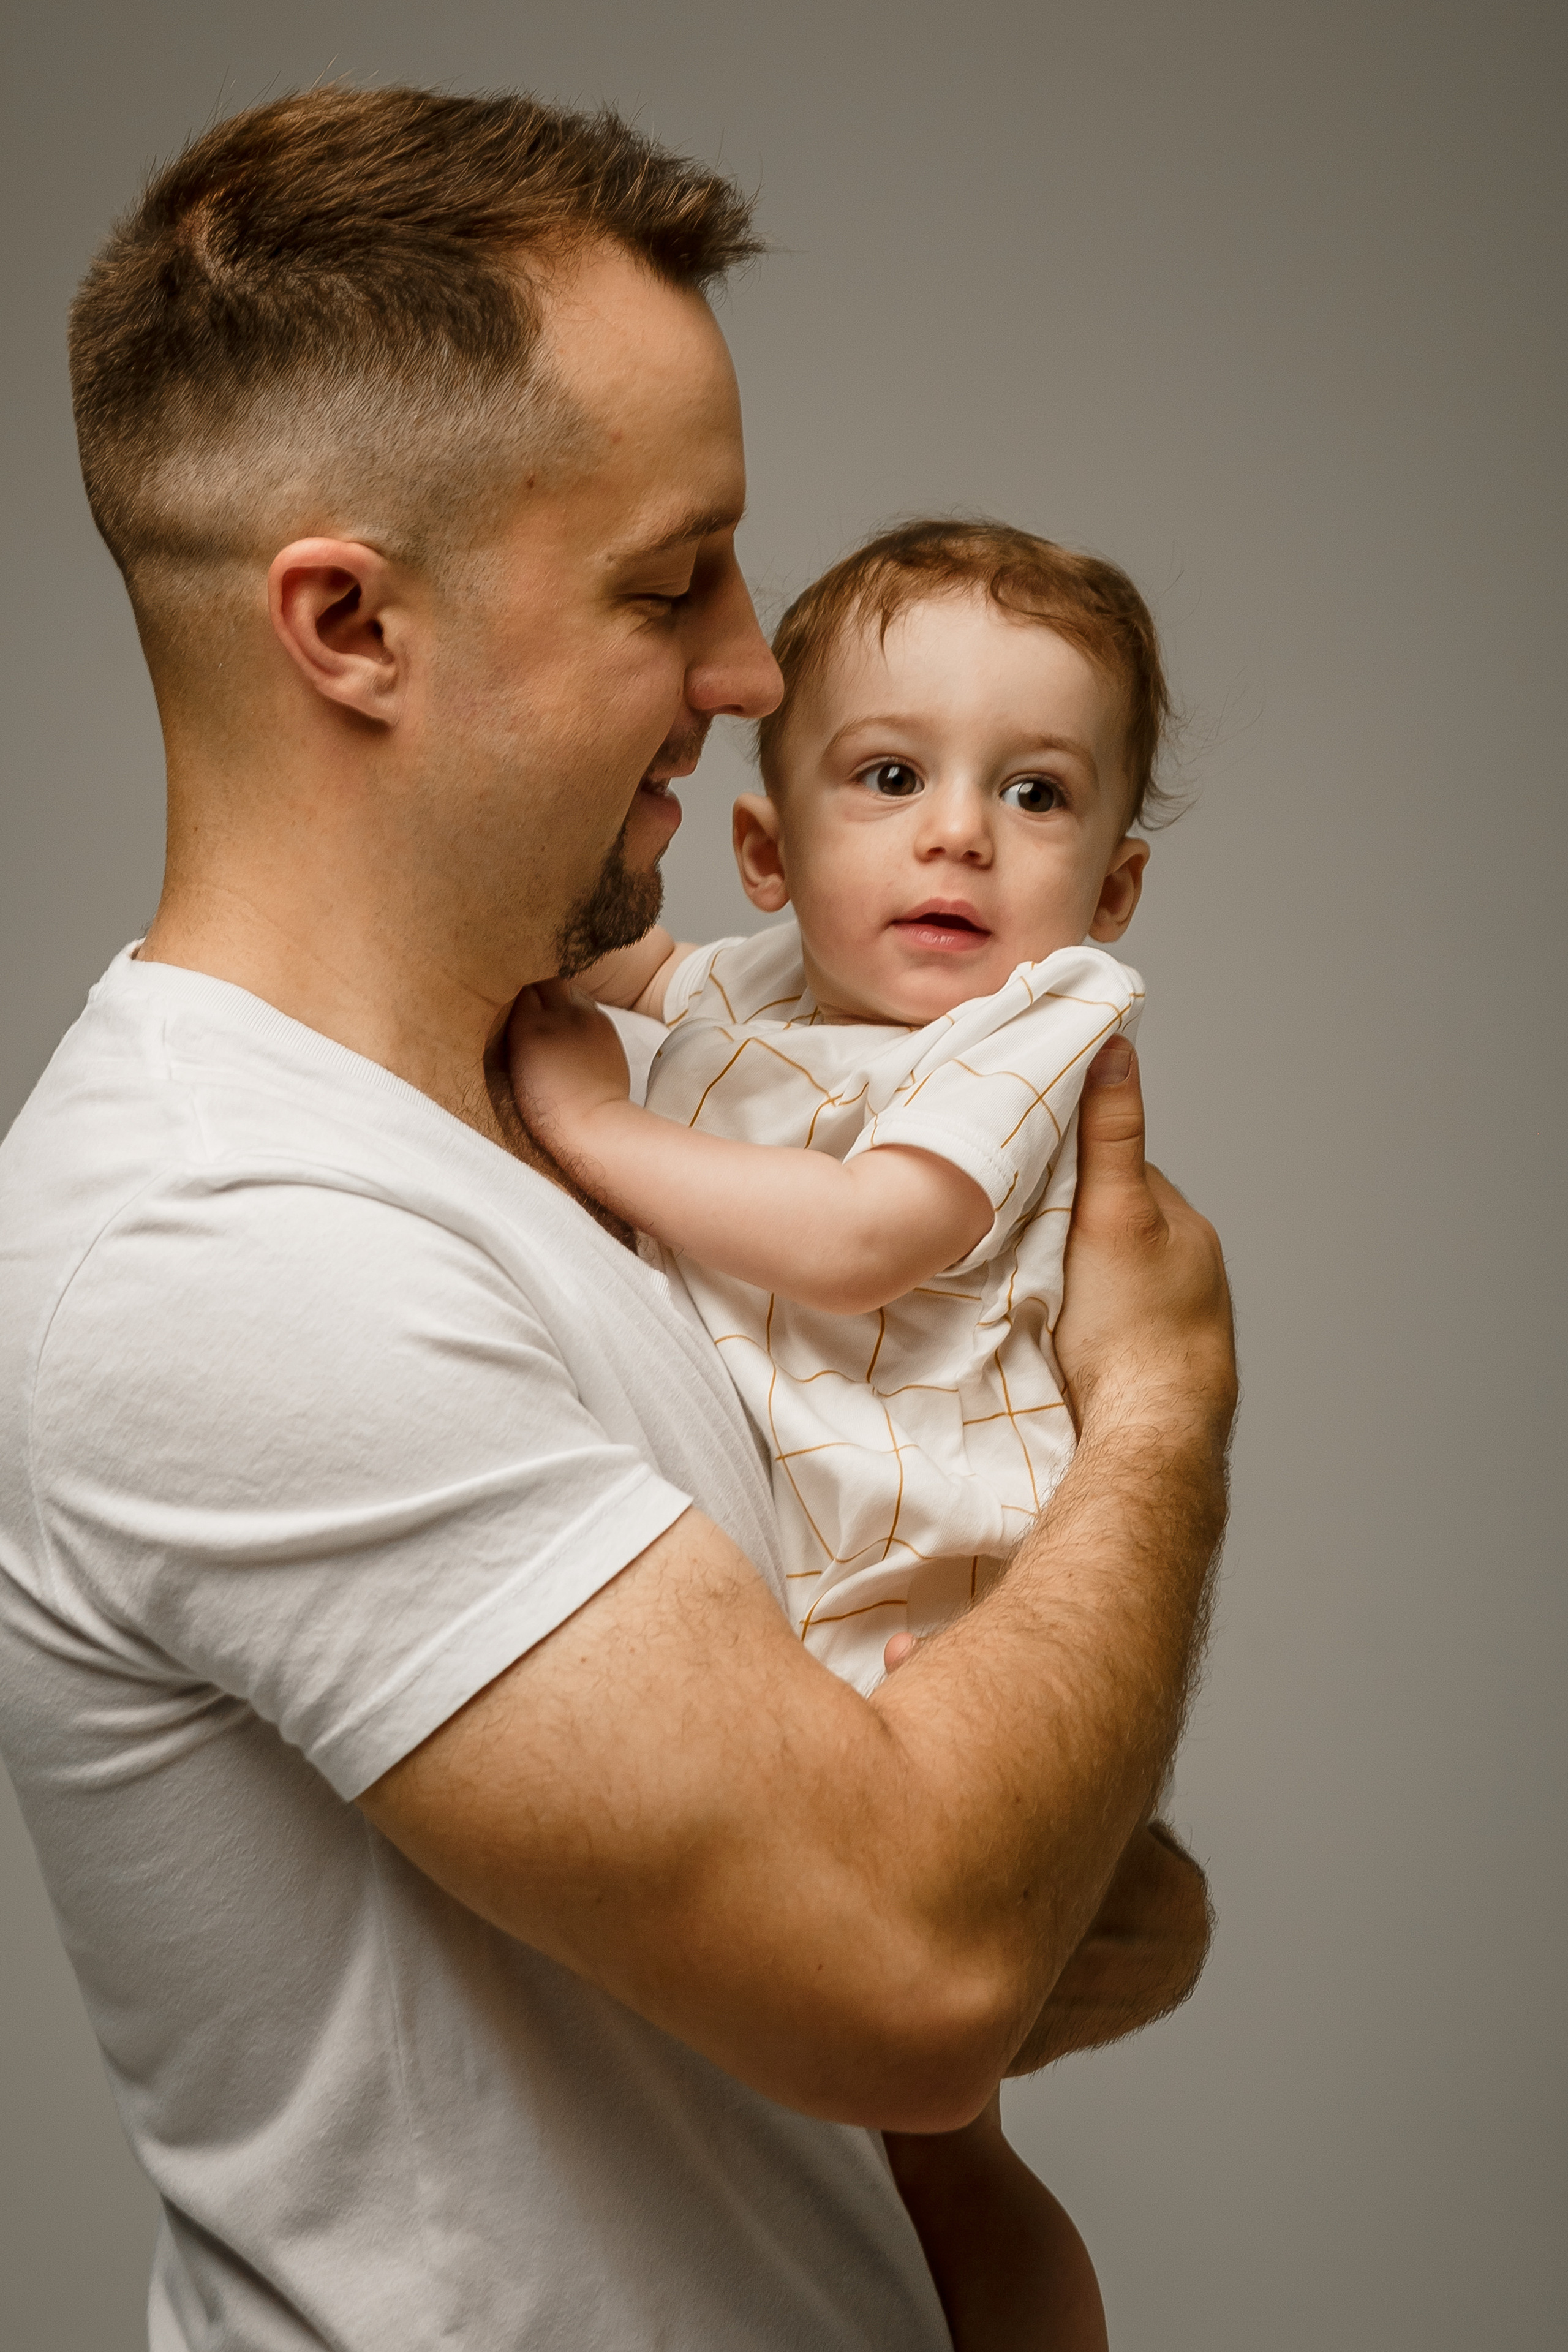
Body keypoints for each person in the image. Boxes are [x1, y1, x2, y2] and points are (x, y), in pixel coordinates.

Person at [0, 85, 1236, 2352]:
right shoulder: (224, 1233)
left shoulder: (578, 1118)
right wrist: (1159, 1410)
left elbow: (1065, 1904)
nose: (762, 670)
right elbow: (919, 1970)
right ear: (349, 622)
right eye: (672, 583)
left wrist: (1016, 1843)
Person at [519, 517, 1165, 1701]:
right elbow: (596, 956)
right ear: (769, 855)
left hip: (931, 1595)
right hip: (776, 1566)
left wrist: (599, 1130)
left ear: (1112, 887)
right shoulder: (762, 988)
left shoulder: (1031, 1024)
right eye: (892, 777)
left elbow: (861, 1238)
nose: (959, 833)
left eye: (1035, 793)